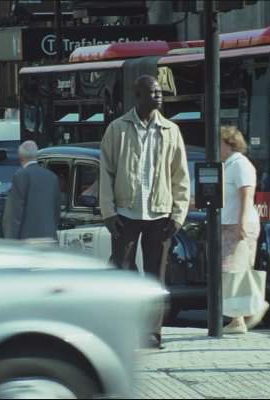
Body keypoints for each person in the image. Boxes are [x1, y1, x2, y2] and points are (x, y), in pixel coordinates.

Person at [99, 75, 191, 349]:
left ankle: (152, 334)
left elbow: (180, 176)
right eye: (153, 92)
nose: (159, 95)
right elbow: (106, 171)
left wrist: (178, 215)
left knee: (155, 279)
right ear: (138, 96)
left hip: (160, 214)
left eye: (160, 92)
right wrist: (109, 213)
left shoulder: (171, 130)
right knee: (122, 273)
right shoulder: (118, 129)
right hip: (125, 214)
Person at [219, 126, 269, 335]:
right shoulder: (228, 165)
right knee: (238, 270)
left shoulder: (240, 165)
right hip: (230, 223)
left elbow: (246, 195)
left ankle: (239, 318)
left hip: (238, 224)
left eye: (218, 143)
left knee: (230, 270)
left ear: (229, 143)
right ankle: (250, 308)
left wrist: (241, 224)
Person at [1, 141, 60, 241]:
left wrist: (10, 242)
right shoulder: (52, 177)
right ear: (36, 155)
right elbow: (56, 211)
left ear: (21, 157)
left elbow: (14, 215)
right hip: (50, 240)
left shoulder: (20, 176)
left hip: (27, 242)